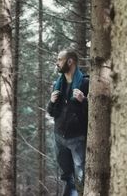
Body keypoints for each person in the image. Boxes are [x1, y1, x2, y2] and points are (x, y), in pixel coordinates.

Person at [47, 49, 89, 196]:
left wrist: (83, 100)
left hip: (78, 139)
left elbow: (95, 113)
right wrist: (51, 102)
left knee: (80, 178)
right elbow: (51, 112)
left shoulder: (85, 82)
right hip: (59, 137)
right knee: (67, 177)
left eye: (59, 59)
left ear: (70, 61)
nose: (57, 63)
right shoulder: (57, 84)